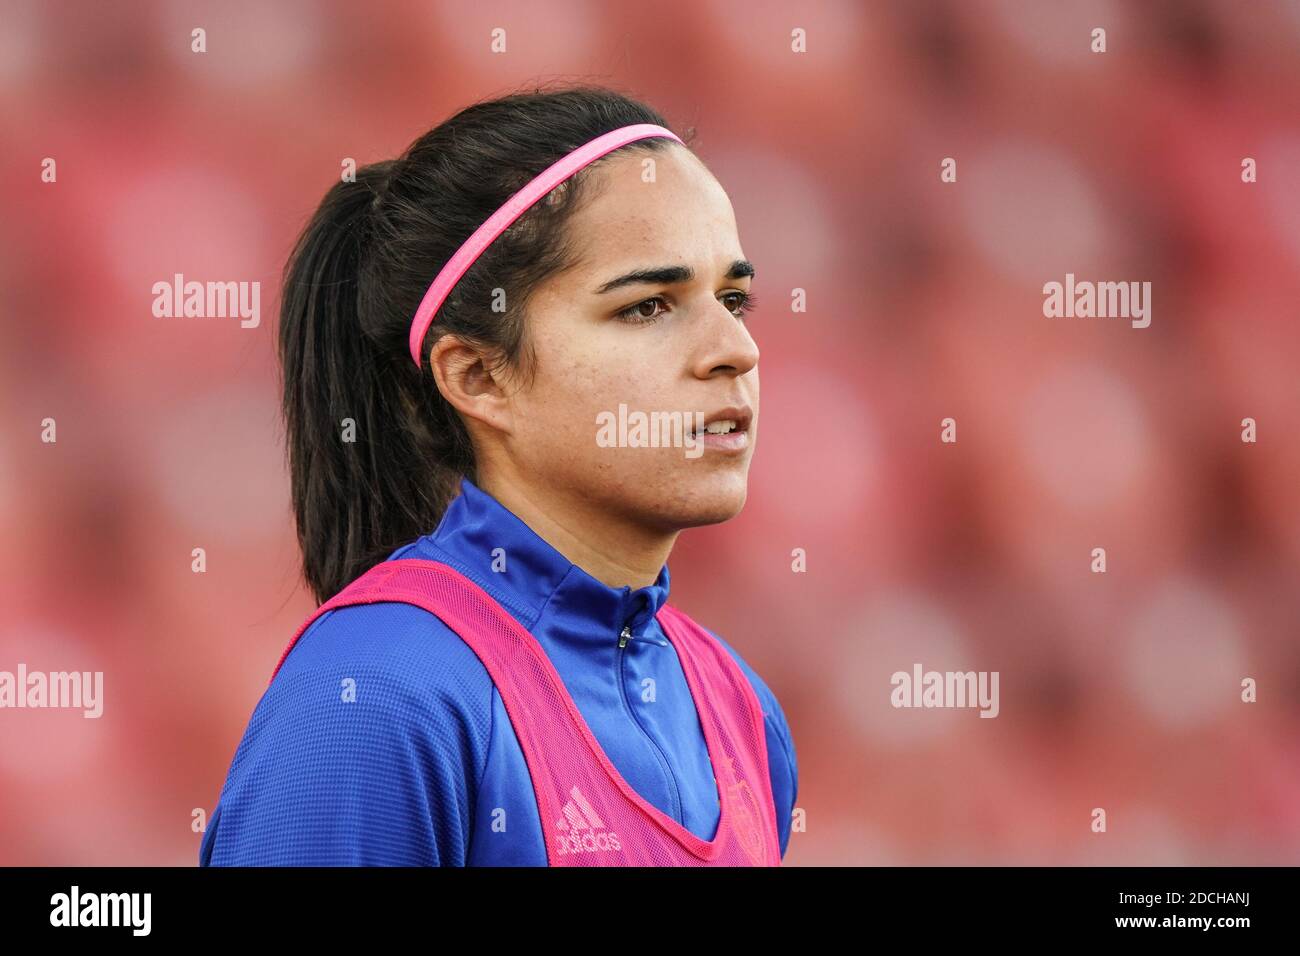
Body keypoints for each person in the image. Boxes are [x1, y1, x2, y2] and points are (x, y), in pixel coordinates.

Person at [199, 84, 797, 866]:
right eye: (648, 305)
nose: (735, 350)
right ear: (478, 376)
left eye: (733, 298)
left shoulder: (739, 706)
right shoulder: (376, 697)